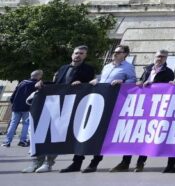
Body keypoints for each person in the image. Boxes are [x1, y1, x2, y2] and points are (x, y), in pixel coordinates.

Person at [64, 43, 135, 174]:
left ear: (125, 54)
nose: (115, 53)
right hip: (98, 101)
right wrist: (95, 80)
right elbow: (102, 79)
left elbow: (133, 81)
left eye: (118, 52)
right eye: (115, 51)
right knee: (86, 131)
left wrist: (122, 83)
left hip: (112, 102)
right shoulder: (107, 66)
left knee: (101, 134)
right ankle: (76, 162)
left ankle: (94, 163)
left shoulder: (128, 67)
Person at [29, 45, 96, 174]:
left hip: (73, 106)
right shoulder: (63, 68)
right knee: (46, 132)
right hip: (56, 103)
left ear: (85, 56)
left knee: (58, 134)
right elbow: (57, 84)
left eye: (81, 53)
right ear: (72, 55)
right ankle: (37, 161)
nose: (78, 55)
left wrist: (81, 85)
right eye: (76, 53)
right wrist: (43, 83)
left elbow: (90, 87)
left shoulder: (88, 69)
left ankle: (49, 163)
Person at [112, 49, 174, 172]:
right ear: (154, 57)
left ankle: (140, 162)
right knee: (133, 133)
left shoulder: (169, 72)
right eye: (158, 56)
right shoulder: (147, 69)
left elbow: (167, 87)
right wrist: (140, 82)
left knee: (147, 134)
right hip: (140, 105)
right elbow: (140, 81)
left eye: (162, 56)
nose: (159, 58)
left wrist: (158, 84)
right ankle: (125, 162)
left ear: (166, 58)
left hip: (155, 106)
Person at [4, 69, 41, 148]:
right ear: (38, 76)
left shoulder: (22, 82)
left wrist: (12, 101)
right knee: (26, 124)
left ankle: (7, 141)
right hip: (27, 107)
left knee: (13, 124)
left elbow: (14, 93)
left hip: (16, 106)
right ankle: (22, 141)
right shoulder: (36, 84)